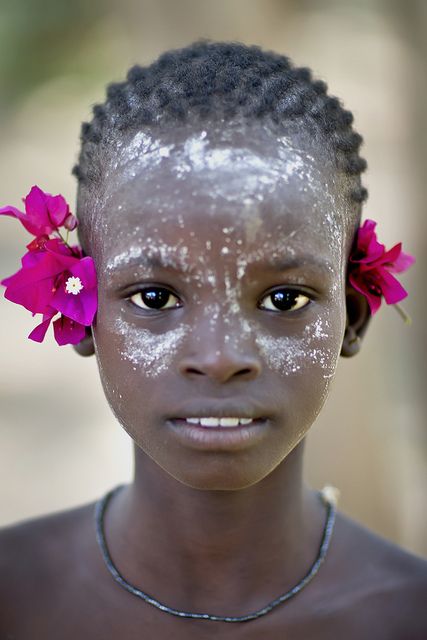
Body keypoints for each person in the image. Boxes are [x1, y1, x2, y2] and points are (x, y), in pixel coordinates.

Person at [0, 39, 426, 639]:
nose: (221, 358)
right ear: (80, 316)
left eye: (284, 299)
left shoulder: (409, 616)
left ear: (353, 318)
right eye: (155, 298)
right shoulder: (13, 596)